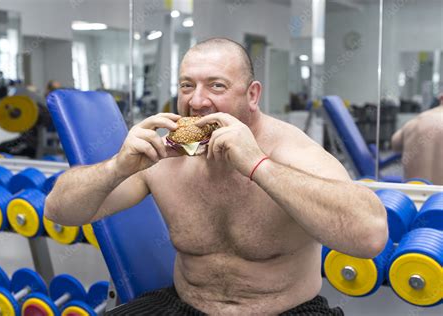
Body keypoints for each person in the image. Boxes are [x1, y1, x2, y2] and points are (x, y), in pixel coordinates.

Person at [45, 38, 388, 315]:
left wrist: (258, 165)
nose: (197, 101)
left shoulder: (293, 153)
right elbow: (60, 210)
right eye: (186, 85)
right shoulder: (164, 157)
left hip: (287, 310)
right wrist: (117, 166)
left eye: (216, 86)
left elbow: (370, 237)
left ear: (252, 94)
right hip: (184, 306)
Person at [391, 93, 443, 185]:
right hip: (439, 197)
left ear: (440, 98)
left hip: (413, 195)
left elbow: (395, 145)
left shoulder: (416, 121)